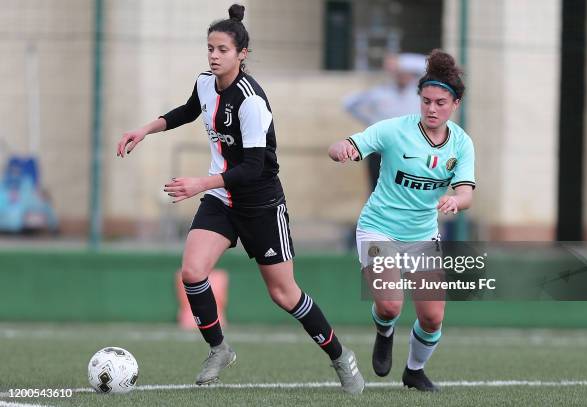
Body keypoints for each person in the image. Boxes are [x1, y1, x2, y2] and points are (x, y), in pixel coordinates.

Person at [116, 4, 364, 395]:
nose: (214, 55)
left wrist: (200, 182)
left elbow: (252, 168)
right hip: (221, 198)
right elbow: (187, 110)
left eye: (222, 50)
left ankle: (339, 355)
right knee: (193, 272)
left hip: (261, 203)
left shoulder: (251, 101)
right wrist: (144, 129)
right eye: (210, 48)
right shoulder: (204, 82)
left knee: (284, 293)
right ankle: (219, 349)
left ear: (241, 54)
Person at [328, 49, 475, 391]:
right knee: (391, 305)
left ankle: (414, 370)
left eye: (440, 102)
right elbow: (347, 143)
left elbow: (466, 193)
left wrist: (456, 200)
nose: (431, 109)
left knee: (432, 317)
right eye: (426, 101)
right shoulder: (394, 130)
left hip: (423, 234)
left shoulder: (462, 144)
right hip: (379, 228)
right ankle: (384, 329)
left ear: (456, 103)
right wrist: (343, 150)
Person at [344, 53, 426, 191]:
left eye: (406, 72)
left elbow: (428, 66)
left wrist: (400, 61)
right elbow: (349, 103)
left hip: (408, 150)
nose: (403, 76)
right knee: (377, 189)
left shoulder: (418, 93)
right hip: (381, 150)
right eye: (400, 72)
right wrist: (370, 121)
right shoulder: (381, 92)